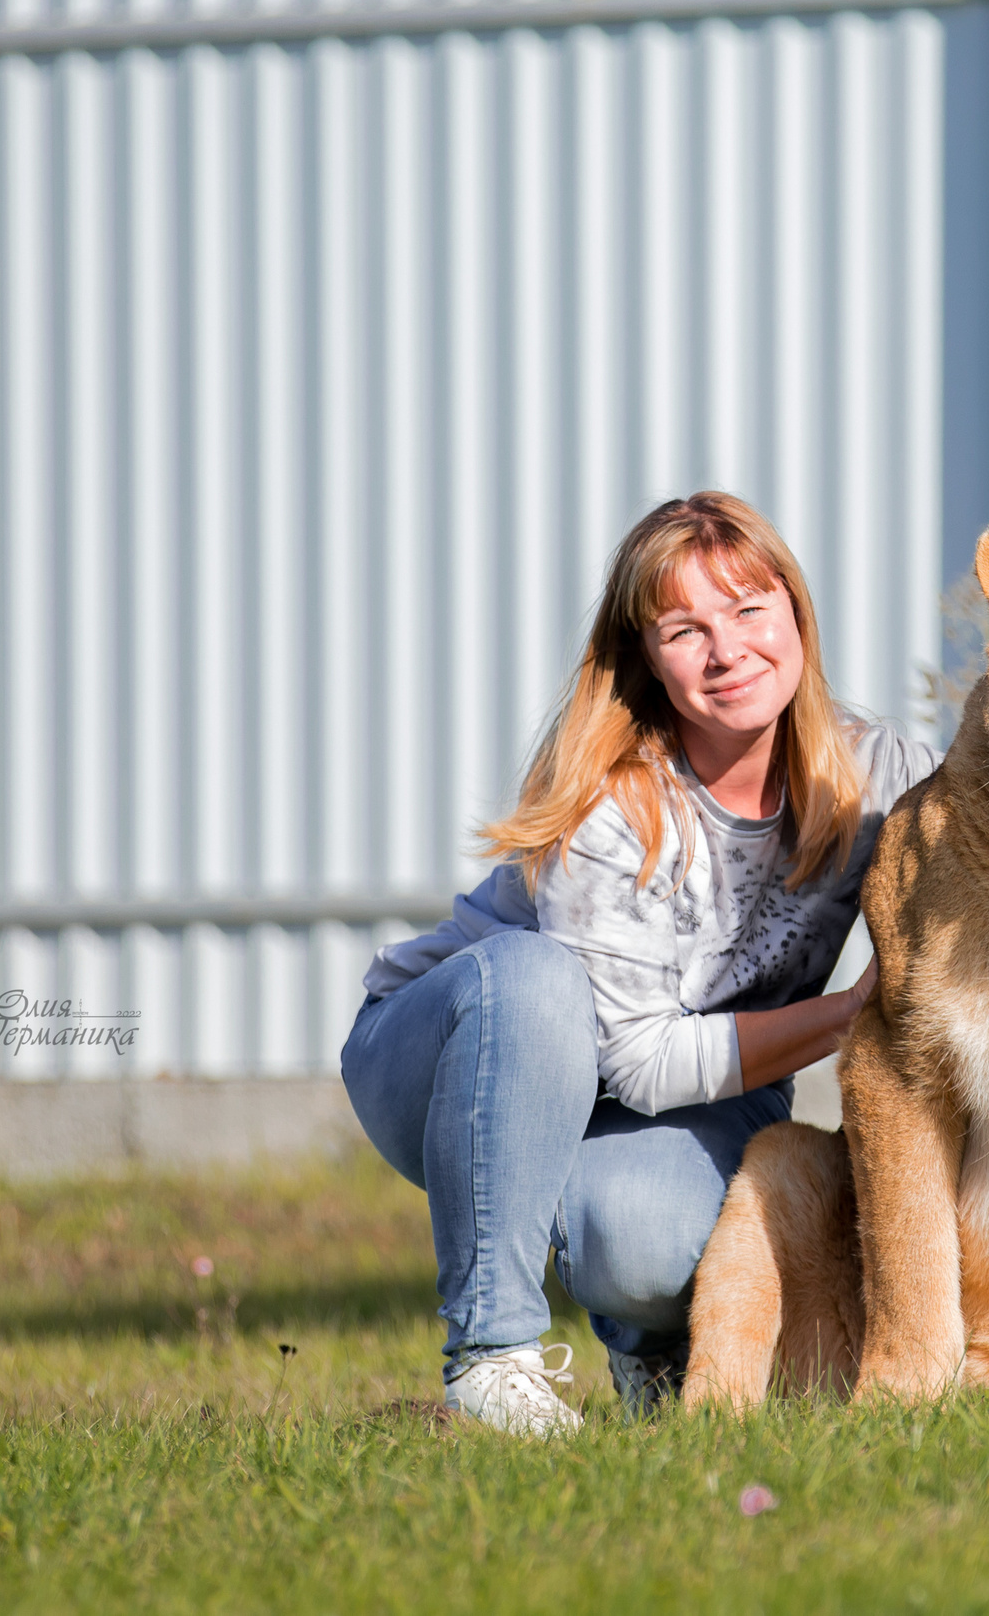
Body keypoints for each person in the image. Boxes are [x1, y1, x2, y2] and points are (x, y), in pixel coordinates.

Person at [341, 493, 935, 1432]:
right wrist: (851, 1011)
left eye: (748, 610)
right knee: (535, 978)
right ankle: (492, 1358)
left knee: (653, 1244)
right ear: (648, 658)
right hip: (462, 1050)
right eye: (684, 628)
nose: (726, 649)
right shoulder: (610, 804)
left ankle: (652, 1354)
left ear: (797, 616)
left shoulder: (875, 771)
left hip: (678, 1084)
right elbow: (638, 1059)